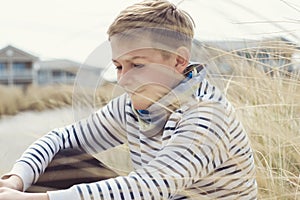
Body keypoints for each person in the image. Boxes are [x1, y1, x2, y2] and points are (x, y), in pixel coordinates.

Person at [0, 0, 257, 199]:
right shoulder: (133, 105)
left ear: (179, 61)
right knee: (62, 159)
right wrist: (15, 181)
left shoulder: (208, 115)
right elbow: (61, 139)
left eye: (137, 65)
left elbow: (151, 188)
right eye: (119, 66)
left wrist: (38, 199)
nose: (123, 80)